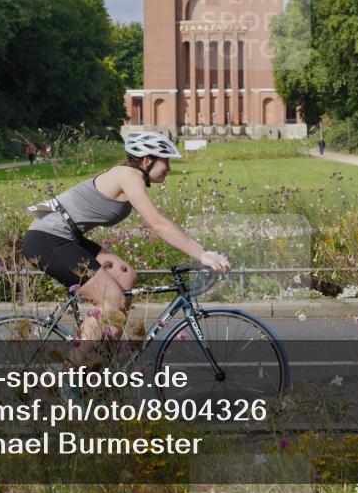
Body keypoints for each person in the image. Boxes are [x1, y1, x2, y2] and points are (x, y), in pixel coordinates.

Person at [21, 132, 231, 344]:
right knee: (111, 300)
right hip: (47, 239)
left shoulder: (127, 175)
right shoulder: (129, 176)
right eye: (165, 160)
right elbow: (158, 223)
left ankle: (106, 356)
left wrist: (203, 251)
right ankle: (78, 362)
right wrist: (202, 254)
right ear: (147, 160)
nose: (168, 167)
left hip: (64, 236)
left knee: (126, 276)